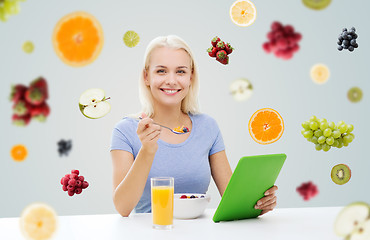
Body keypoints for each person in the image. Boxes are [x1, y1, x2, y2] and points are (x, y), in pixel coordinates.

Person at [110, 35, 278, 217]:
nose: (171, 80)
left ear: (191, 77)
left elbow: (233, 199)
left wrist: (259, 204)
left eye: (180, 71)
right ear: (146, 77)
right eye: (161, 71)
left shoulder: (208, 127)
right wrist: (147, 151)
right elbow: (122, 207)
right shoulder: (125, 131)